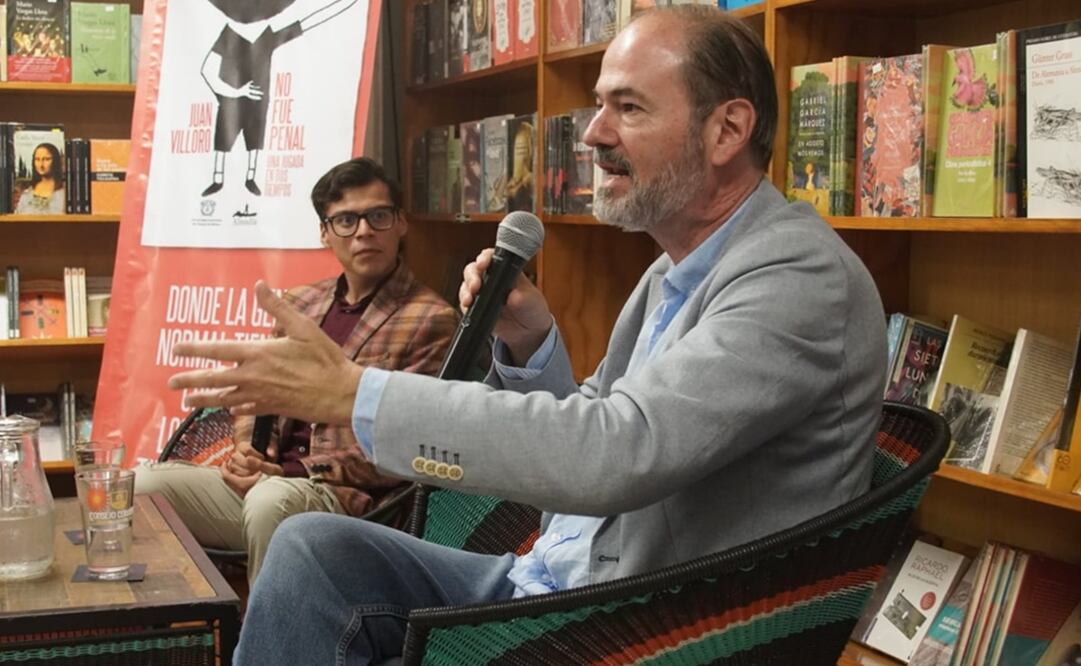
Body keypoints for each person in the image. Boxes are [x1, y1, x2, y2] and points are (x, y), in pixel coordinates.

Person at [169, 6, 888, 663]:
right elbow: (588, 446)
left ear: (725, 130)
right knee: (309, 548)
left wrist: (354, 393)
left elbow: (617, 453)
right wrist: (530, 345)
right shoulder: (676, 271)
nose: (593, 133)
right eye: (599, 103)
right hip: (546, 577)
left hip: (634, 627)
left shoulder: (796, 278)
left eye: (627, 108)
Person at [137, 157, 458, 583]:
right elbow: (256, 395)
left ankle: (268, 648)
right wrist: (249, 451)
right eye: (346, 220)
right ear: (325, 233)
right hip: (268, 486)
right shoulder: (300, 303)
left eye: (378, 216)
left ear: (401, 224)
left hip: (350, 501)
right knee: (140, 487)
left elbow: (411, 444)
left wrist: (293, 472)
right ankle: (180, 638)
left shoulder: (430, 318)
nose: (364, 231)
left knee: (270, 501)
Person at [14, 143, 65, 215]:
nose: (41, 165)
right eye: (37, 159)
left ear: (55, 161)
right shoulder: (26, 195)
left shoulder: (64, 195)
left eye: (46, 159)